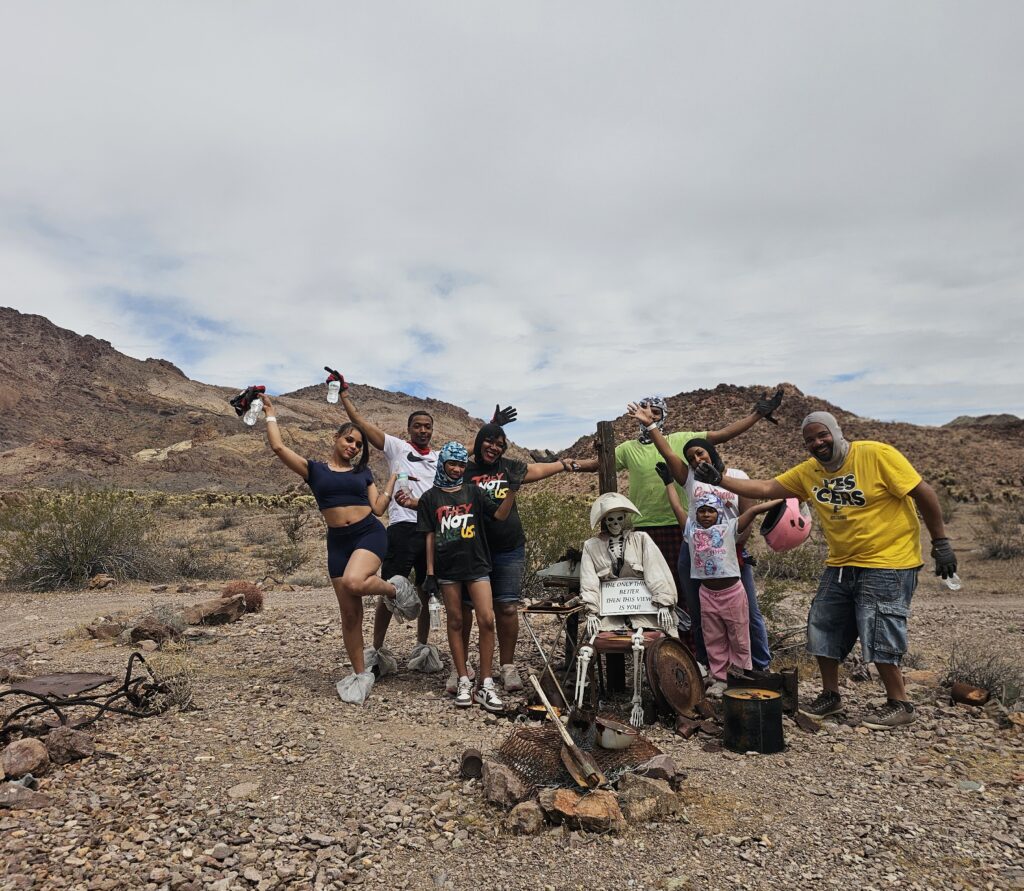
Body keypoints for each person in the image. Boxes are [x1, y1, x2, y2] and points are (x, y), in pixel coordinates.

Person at [692, 410, 958, 730]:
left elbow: (923, 492)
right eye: (810, 440)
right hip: (842, 561)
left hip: (890, 561)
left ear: (836, 431)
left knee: (879, 628)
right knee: (822, 624)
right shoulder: (810, 472)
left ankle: (899, 703)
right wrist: (719, 479)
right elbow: (764, 488)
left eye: (822, 435)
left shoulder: (876, 454)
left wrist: (940, 542)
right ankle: (831, 696)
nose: (817, 443)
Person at [260, 394, 410, 705]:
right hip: (338, 543)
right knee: (350, 615)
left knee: (357, 582)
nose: (354, 447)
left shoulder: (362, 473)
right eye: (349, 440)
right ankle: (359, 674)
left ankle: (394, 591)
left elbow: (379, 509)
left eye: (358, 444)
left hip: (368, 534)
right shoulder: (314, 470)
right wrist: (271, 414)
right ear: (336, 438)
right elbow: (278, 448)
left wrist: (392, 479)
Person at [574, 389, 784, 603]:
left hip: (680, 526)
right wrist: (566, 464)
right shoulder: (627, 449)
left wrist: (756, 415)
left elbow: (722, 435)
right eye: (646, 410)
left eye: (656, 412)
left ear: (663, 415)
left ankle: (688, 635)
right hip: (643, 525)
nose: (651, 415)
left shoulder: (680, 440)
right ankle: (662, 636)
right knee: (650, 588)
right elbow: (599, 464)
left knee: (683, 589)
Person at [636, 398, 772, 669]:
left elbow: (748, 516)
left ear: (711, 452)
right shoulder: (690, 480)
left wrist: (737, 545)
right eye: (692, 457)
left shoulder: (738, 476)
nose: (697, 459)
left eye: (700, 453)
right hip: (694, 552)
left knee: (749, 612)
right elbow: (668, 453)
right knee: (700, 612)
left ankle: (759, 666)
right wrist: (651, 425)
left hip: (731, 554)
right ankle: (707, 665)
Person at [460, 417, 589, 693]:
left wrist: (565, 464)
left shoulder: (510, 468)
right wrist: (486, 430)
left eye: (500, 445)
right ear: (479, 440)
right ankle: (463, 667)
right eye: (489, 441)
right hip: (473, 549)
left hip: (509, 547)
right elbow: (446, 456)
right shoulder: (464, 470)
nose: (494, 448)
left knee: (506, 607)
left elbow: (540, 468)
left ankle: (506, 666)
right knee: (467, 608)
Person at [335, 373, 441, 674]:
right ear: (408, 429)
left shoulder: (437, 456)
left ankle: (422, 648)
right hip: (402, 526)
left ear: (432, 430)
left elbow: (470, 451)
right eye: (418, 426)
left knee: (425, 588)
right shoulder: (397, 447)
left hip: (430, 529)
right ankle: (377, 650)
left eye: (427, 426)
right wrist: (344, 396)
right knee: (389, 588)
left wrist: (493, 425)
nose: (423, 430)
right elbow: (363, 425)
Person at [417, 441, 524, 712]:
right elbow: (430, 536)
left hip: (477, 564)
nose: (456, 469)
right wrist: (430, 573)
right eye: (451, 463)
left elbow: (499, 515)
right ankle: (464, 678)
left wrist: (512, 490)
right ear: (442, 464)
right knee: (455, 621)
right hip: (448, 568)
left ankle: (486, 683)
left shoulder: (473, 492)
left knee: (487, 619)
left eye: (461, 464)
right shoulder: (430, 498)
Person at [683, 493, 783, 694]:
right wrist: (669, 484)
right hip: (707, 594)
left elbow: (754, 510)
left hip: (731, 593)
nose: (706, 515)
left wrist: (785, 499)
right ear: (696, 514)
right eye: (701, 511)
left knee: (739, 636)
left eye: (711, 511)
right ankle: (720, 678)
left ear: (718, 512)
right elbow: (677, 508)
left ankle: (740, 675)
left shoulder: (729, 528)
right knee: (713, 638)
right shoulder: (691, 532)